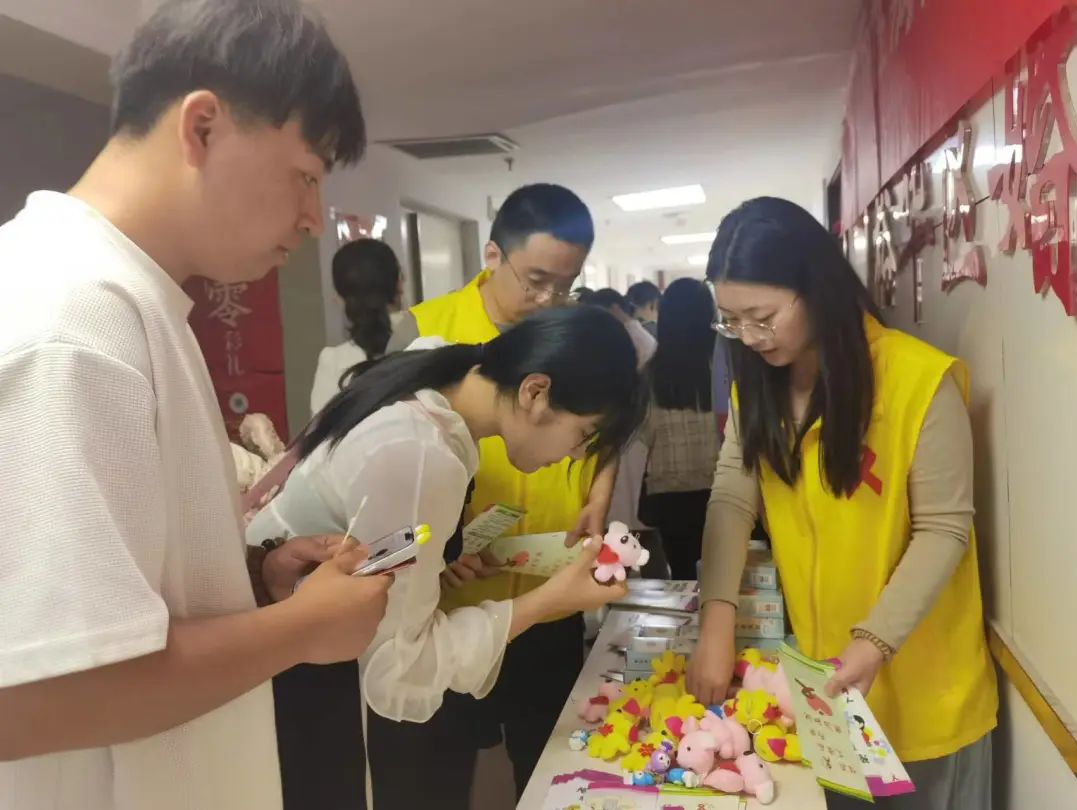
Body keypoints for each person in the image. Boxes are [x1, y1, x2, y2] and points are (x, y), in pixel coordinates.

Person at [0, 3, 393, 809]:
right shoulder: (73, 318)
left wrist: (251, 580)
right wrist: (303, 629)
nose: (314, 219)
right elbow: (35, 698)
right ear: (203, 127)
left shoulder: (128, 301)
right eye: (307, 174)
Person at [248, 306, 648, 809]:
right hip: (295, 678)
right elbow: (398, 667)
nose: (574, 456)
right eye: (584, 434)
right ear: (535, 392)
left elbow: (378, 543)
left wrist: (435, 563)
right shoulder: (421, 454)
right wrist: (551, 600)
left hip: (282, 629)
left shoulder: (437, 365)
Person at [687, 197, 998, 810]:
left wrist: (874, 641)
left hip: (925, 693)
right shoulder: (759, 388)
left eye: (762, 317)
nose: (748, 337)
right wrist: (715, 624)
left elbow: (944, 530)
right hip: (825, 691)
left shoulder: (918, 381)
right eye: (732, 321)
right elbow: (731, 498)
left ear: (817, 288)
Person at [384, 183, 616, 798]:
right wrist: (439, 547)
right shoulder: (428, 330)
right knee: (440, 771)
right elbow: (390, 471)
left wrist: (599, 495)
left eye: (565, 285)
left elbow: (605, 429)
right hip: (451, 602)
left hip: (549, 588)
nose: (548, 301)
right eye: (536, 281)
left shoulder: (568, 336)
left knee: (551, 766)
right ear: (493, 256)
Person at [638, 278, 719, 579]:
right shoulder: (726, 366)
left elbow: (644, 433)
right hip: (724, 488)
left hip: (669, 494)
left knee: (685, 575)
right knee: (729, 574)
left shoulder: (650, 374)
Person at [311, 238, 404, 414]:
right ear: (399, 284)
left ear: (339, 297)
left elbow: (322, 429)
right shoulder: (432, 338)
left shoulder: (334, 361)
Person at [580, 287, 657, 369]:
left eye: (599, 314)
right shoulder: (636, 333)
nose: (597, 320)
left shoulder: (625, 337)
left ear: (615, 308)